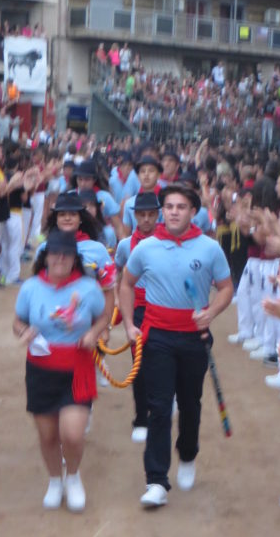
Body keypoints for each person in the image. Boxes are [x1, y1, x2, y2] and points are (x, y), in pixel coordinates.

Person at [119, 183, 233, 507]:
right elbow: (126, 284)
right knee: (159, 407)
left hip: (194, 337)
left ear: (192, 211)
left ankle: (188, 453)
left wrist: (210, 312)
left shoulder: (209, 249)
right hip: (157, 337)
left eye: (180, 207)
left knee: (190, 404)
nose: (173, 212)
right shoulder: (146, 248)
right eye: (168, 206)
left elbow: (226, 288)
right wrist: (129, 324)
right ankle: (156, 479)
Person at [13, 229, 109, 512]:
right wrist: (25, 331)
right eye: (55, 254)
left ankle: (74, 476)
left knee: (73, 434)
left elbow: (103, 317)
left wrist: (94, 334)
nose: (60, 259)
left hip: (77, 367)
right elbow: (17, 322)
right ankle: (55, 480)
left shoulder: (89, 288)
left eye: (66, 255)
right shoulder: (30, 287)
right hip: (41, 369)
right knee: (48, 436)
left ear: (74, 259)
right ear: (45, 257)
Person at [115, 191, 160, 443]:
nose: (145, 220)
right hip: (138, 309)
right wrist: (122, 312)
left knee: (162, 360)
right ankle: (141, 417)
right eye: (141, 215)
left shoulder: (167, 242)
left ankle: (162, 403)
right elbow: (119, 277)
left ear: (157, 215)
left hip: (163, 307)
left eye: (150, 215)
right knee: (139, 364)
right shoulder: (125, 246)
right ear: (134, 216)